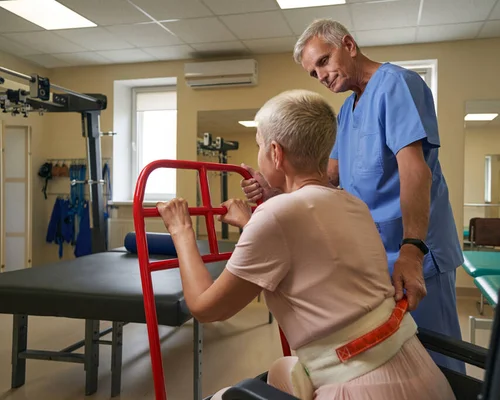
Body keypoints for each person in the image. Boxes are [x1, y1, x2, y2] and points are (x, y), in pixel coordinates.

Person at [157, 90, 455, 399]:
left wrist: (181, 231)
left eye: (259, 144)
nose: (259, 153)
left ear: (275, 152)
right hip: (421, 375)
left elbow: (207, 309)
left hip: (363, 388)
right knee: (281, 370)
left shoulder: (277, 215)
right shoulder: (353, 204)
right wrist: (250, 224)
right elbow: (309, 251)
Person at [240, 18, 465, 374]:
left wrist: (411, 250)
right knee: (398, 362)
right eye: (314, 74)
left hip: (418, 251)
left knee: (437, 364)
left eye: (324, 61)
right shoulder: (347, 111)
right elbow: (327, 178)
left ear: (348, 45)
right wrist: (275, 187)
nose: (322, 76)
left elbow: (414, 170)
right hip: (378, 257)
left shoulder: (397, 84)